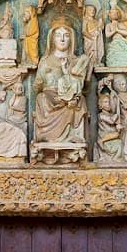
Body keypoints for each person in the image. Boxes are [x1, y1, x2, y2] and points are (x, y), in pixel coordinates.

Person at [32, 25, 91, 162]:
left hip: (70, 97)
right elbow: (37, 87)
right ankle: (47, 136)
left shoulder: (77, 61)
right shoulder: (45, 61)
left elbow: (84, 87)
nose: (62, 39)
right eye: (58, 35)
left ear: (72, 39)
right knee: (42, 98)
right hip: (49, 96)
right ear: (52, 39)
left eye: (66, 35)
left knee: (79, 100)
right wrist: (43, 77)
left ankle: (73, 137)